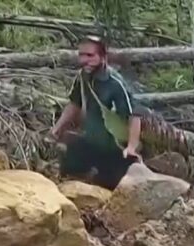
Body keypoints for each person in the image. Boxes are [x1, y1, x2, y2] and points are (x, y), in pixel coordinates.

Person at [50, 35, 141, 190]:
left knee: (109, 185)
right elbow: (74, 104)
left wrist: (132, 147)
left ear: (103, 57)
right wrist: (57, 128)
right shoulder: (82, 77)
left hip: (114, 149)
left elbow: (135, 115)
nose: (84, 60)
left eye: (90, 55)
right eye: (81, 55)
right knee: (69, 167)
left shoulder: (115, 83)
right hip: (91, 141)